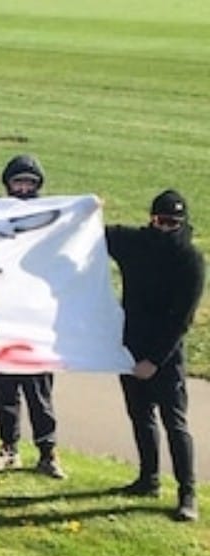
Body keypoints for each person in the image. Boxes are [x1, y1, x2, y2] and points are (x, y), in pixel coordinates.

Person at [107, 190, 204, 522]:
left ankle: (187, 493)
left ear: (183, 223)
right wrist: (88, 209)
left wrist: (154, 360)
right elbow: (91, 233)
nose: (166, 228)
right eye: (161, 221)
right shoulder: (134, 243)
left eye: (174, 223)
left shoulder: (190, 260)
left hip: (166, 355)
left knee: (175, 423)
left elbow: (183, 319)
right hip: (130, 346)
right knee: (140, 416)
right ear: (151, 219)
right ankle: (148, 479)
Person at [0, 154, 65, 479]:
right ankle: (8, 447)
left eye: (30, 183)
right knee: (4, 388)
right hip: (0, 317)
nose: (23, 188)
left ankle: (48, 451)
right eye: (18, 182)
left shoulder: (51, 217)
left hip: (36, 320)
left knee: (38, 390)